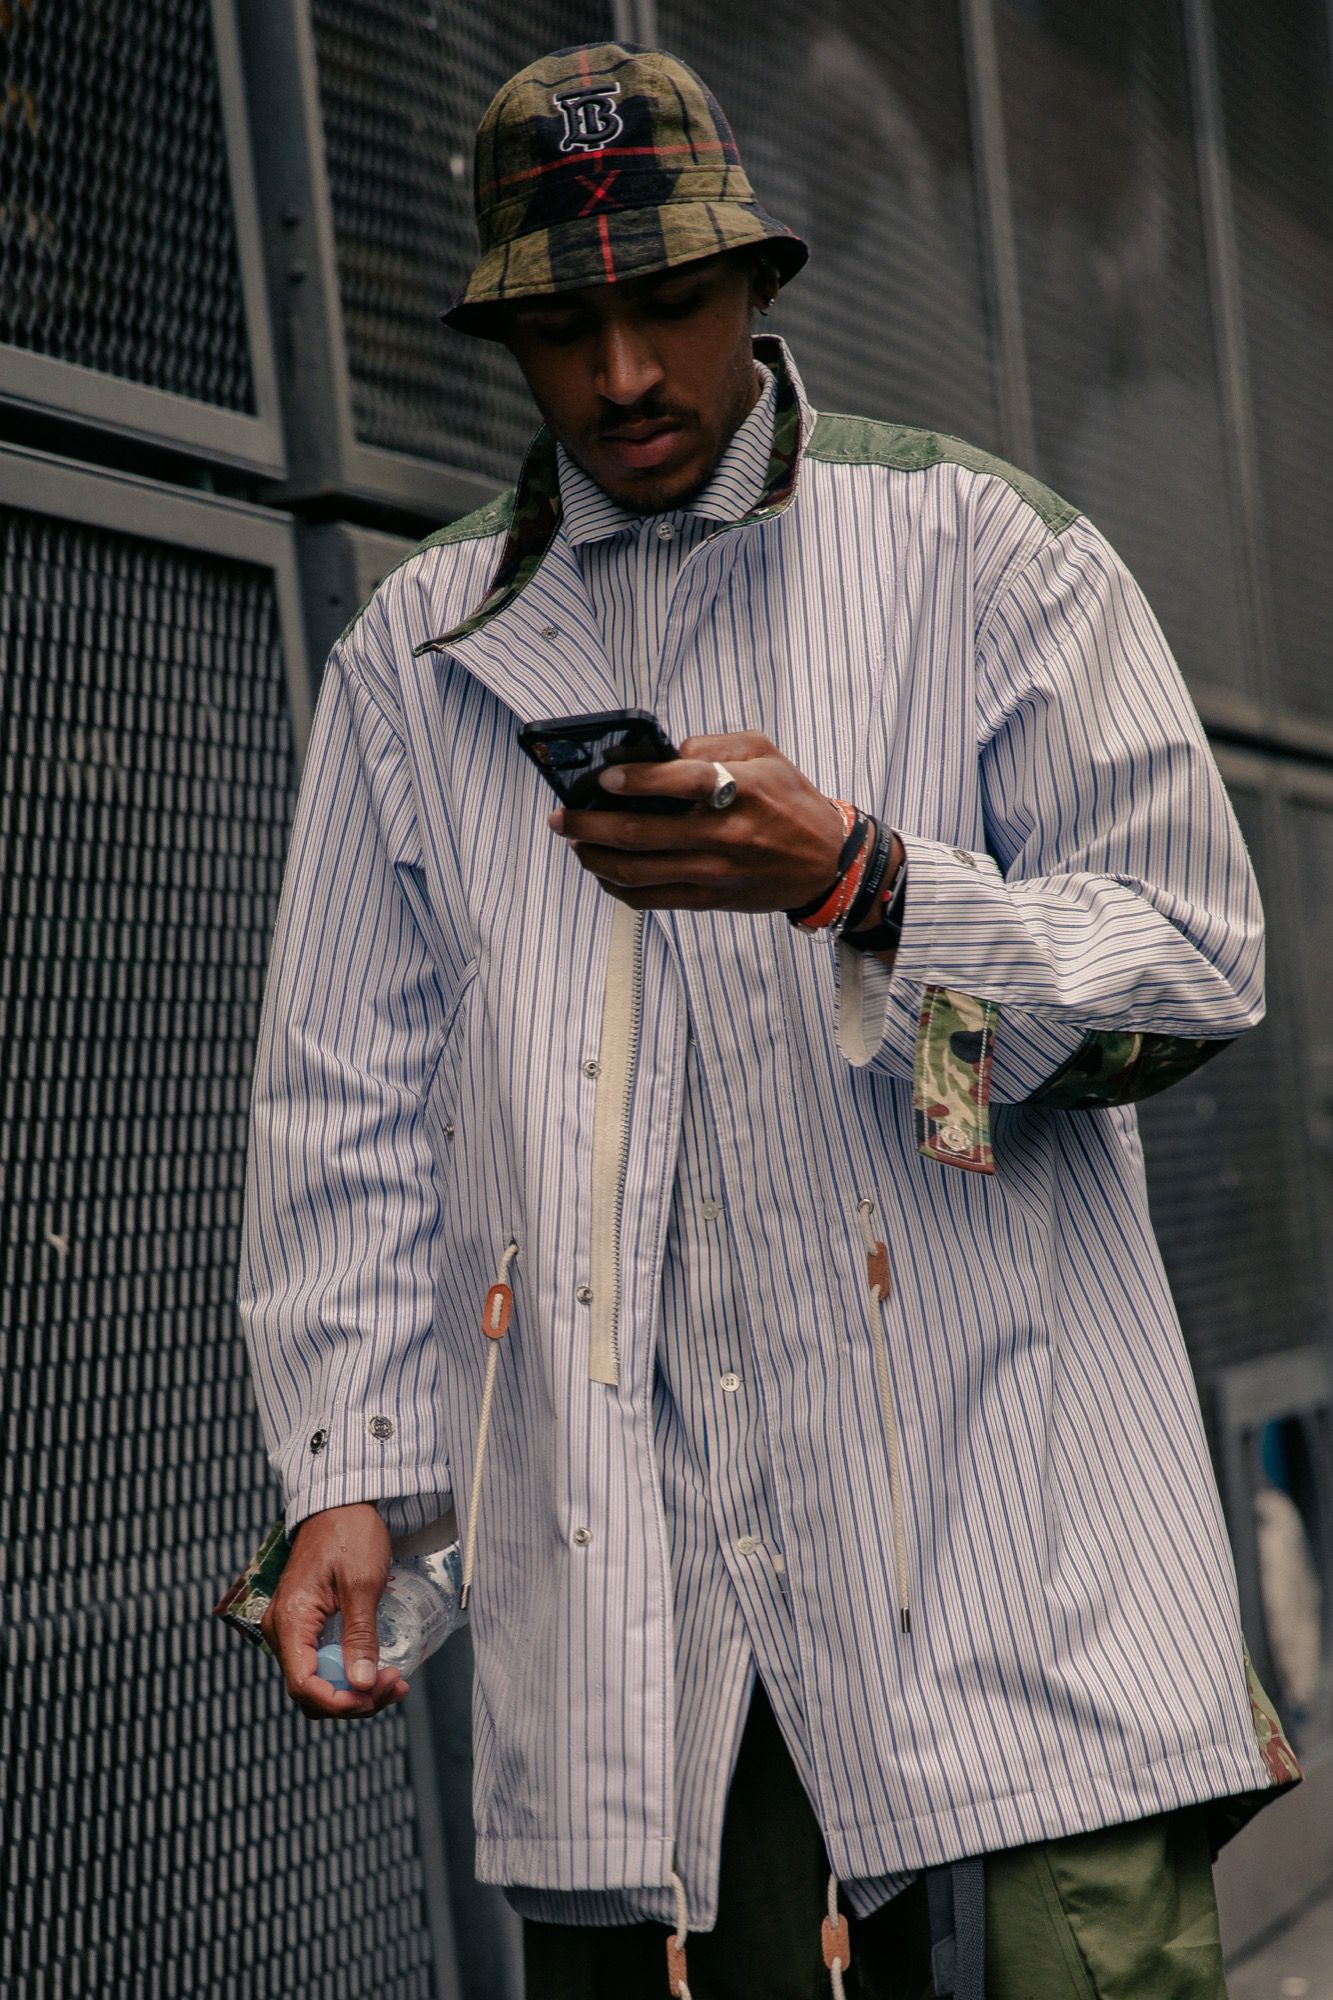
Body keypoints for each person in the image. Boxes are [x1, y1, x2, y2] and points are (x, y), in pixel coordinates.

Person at [239, 40, 1301, 2000]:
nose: (620, 374)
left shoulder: (981, 547)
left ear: (757, 280)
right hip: (642, 1624)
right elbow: (346, 1099)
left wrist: (865, 887)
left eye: (668, 303)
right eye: (561, 328)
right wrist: (348, 1472)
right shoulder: (417, 651)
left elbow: (1192, 968)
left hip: (1015, 1580)